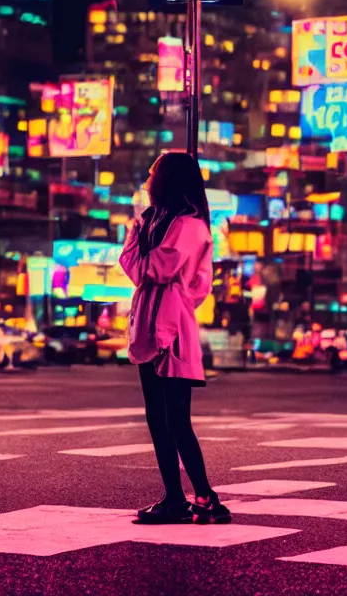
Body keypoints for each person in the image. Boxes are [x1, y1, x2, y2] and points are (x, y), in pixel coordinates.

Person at [120, 151, 229, 525]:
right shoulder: (158, 222)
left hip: (173, 329)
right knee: (157, 418)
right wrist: (139, 235)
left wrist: (138, 244)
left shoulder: (188, 225)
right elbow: (135, 268)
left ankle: (205, 496)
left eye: (153, 174)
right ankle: (175, 497)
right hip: (152, 325)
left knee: (176, 419)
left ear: (169, 180)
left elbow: (157, 268)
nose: (148, 181)